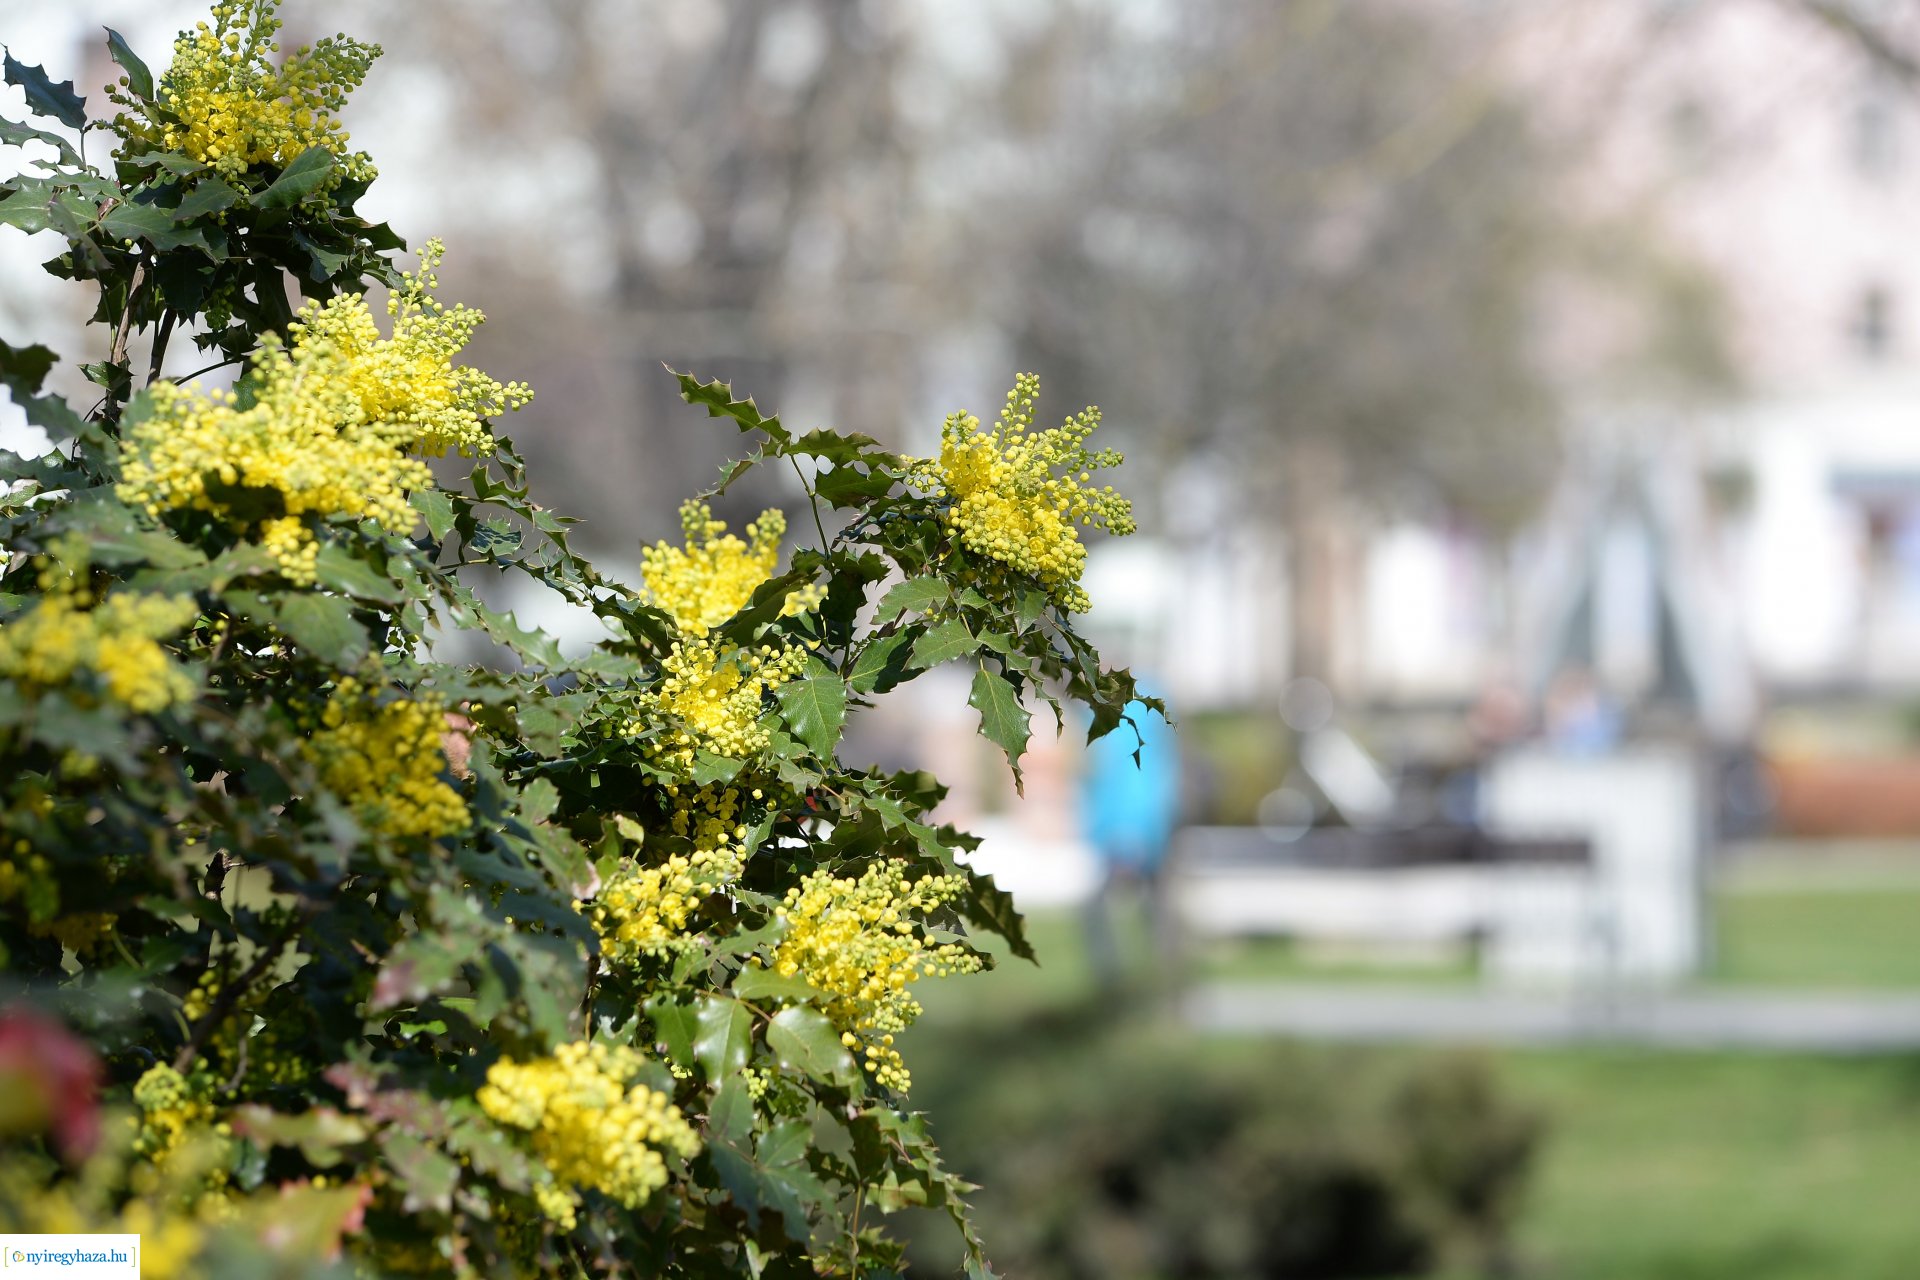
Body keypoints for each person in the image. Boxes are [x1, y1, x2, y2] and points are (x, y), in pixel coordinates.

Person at [1078, 692, 1181, 990]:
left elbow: (1136, 775)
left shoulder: (1129, 708)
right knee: (1155, 907)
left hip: (1135, 828)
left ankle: (1131, 983)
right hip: (1139, 825)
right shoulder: (1106, 705)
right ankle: (1153, 981)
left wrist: (1130, 832)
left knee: (1140, 908)